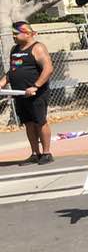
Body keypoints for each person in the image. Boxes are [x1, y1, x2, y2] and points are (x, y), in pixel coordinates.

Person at [0, 21, 54, 165]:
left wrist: (35, 86)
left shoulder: (38, 48)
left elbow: (48, 69)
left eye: (16, 33)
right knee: (28, 123)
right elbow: (12, 71)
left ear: (27, 33)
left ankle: (47, 153)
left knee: (40, 121)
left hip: (36, 94)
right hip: (20, 94)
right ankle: (35, 153)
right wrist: (2, 83)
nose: (13, 36)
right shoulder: (14, 49)